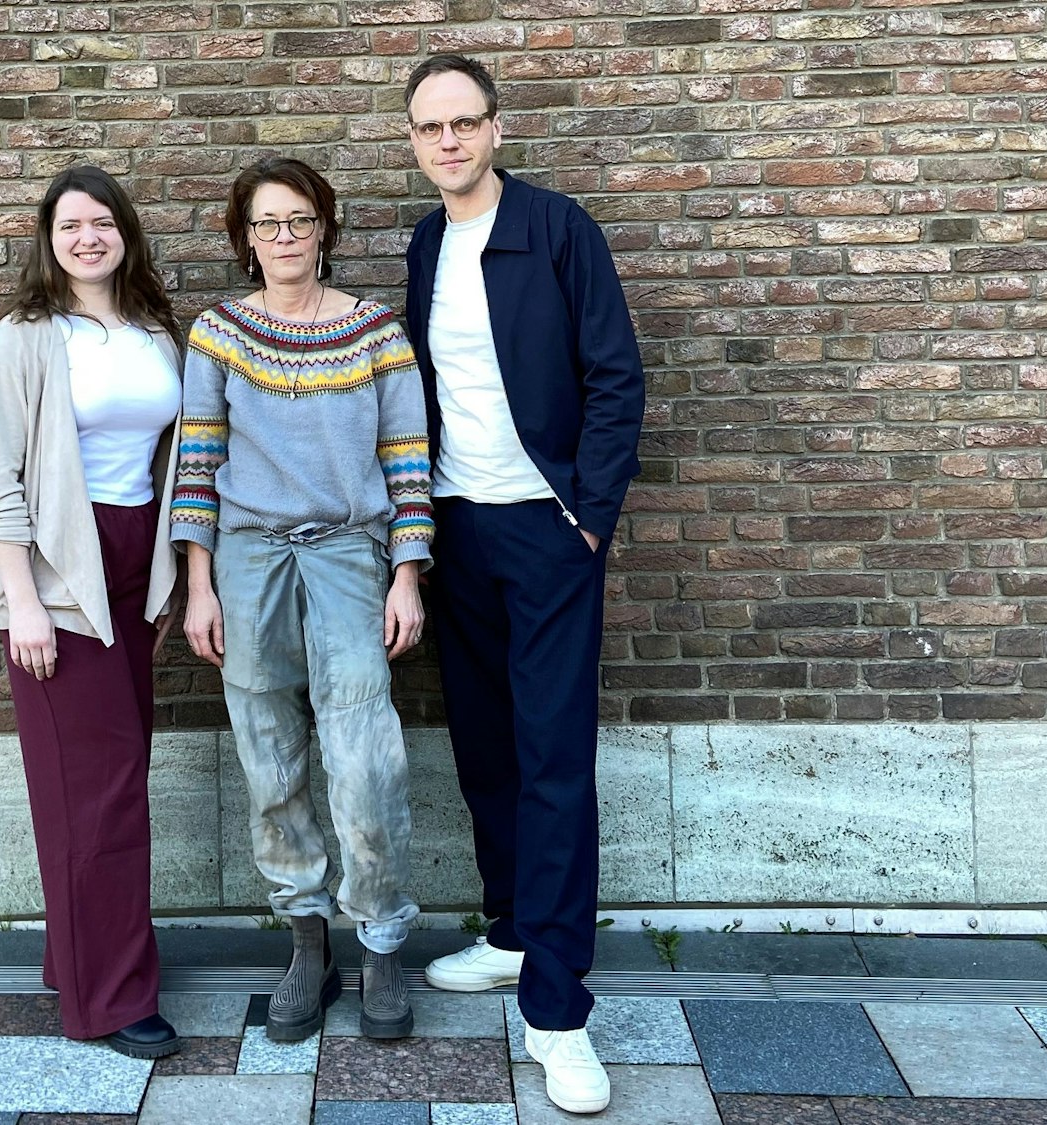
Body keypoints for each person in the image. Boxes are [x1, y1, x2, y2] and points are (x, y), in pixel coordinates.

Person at [400, 54, 645, 1115]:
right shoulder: (422, 243)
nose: (447, 141)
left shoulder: (556, 230)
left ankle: (556, 1012)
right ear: (412, 143)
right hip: (455, 533)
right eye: (428, 128)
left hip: (547, 535)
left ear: (495, 129)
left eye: (464, 122)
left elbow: (614, 375)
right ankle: (509, 933)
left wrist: (587, 516)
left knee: (552, 760)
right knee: (486, 750)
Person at [171, 157, 432, 1041]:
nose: (284, 237)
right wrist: (197, 582)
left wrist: (407, 571)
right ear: (245, 238)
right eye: (266, 223)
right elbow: (197, 462)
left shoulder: (375, 332)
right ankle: (307, 937)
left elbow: (406, 459)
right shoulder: (217, 332)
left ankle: (383, 940)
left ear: (327, 225)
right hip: (246, 562)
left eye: (299, 220)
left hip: (349, 558)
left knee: (367, 759)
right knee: (270, 759)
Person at [0, 165, 186, 1059]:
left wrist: (174, 575)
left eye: (103, 222)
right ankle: (111, 999)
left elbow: (173, 457)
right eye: (71, 225)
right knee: (98, 795)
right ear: (48, 240)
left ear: (126, 234)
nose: (89, 236)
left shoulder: (153, 334)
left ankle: (77, 956)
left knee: (108, 776)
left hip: (136, 572)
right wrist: (24, 604)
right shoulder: (23, 339)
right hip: (61, 581)